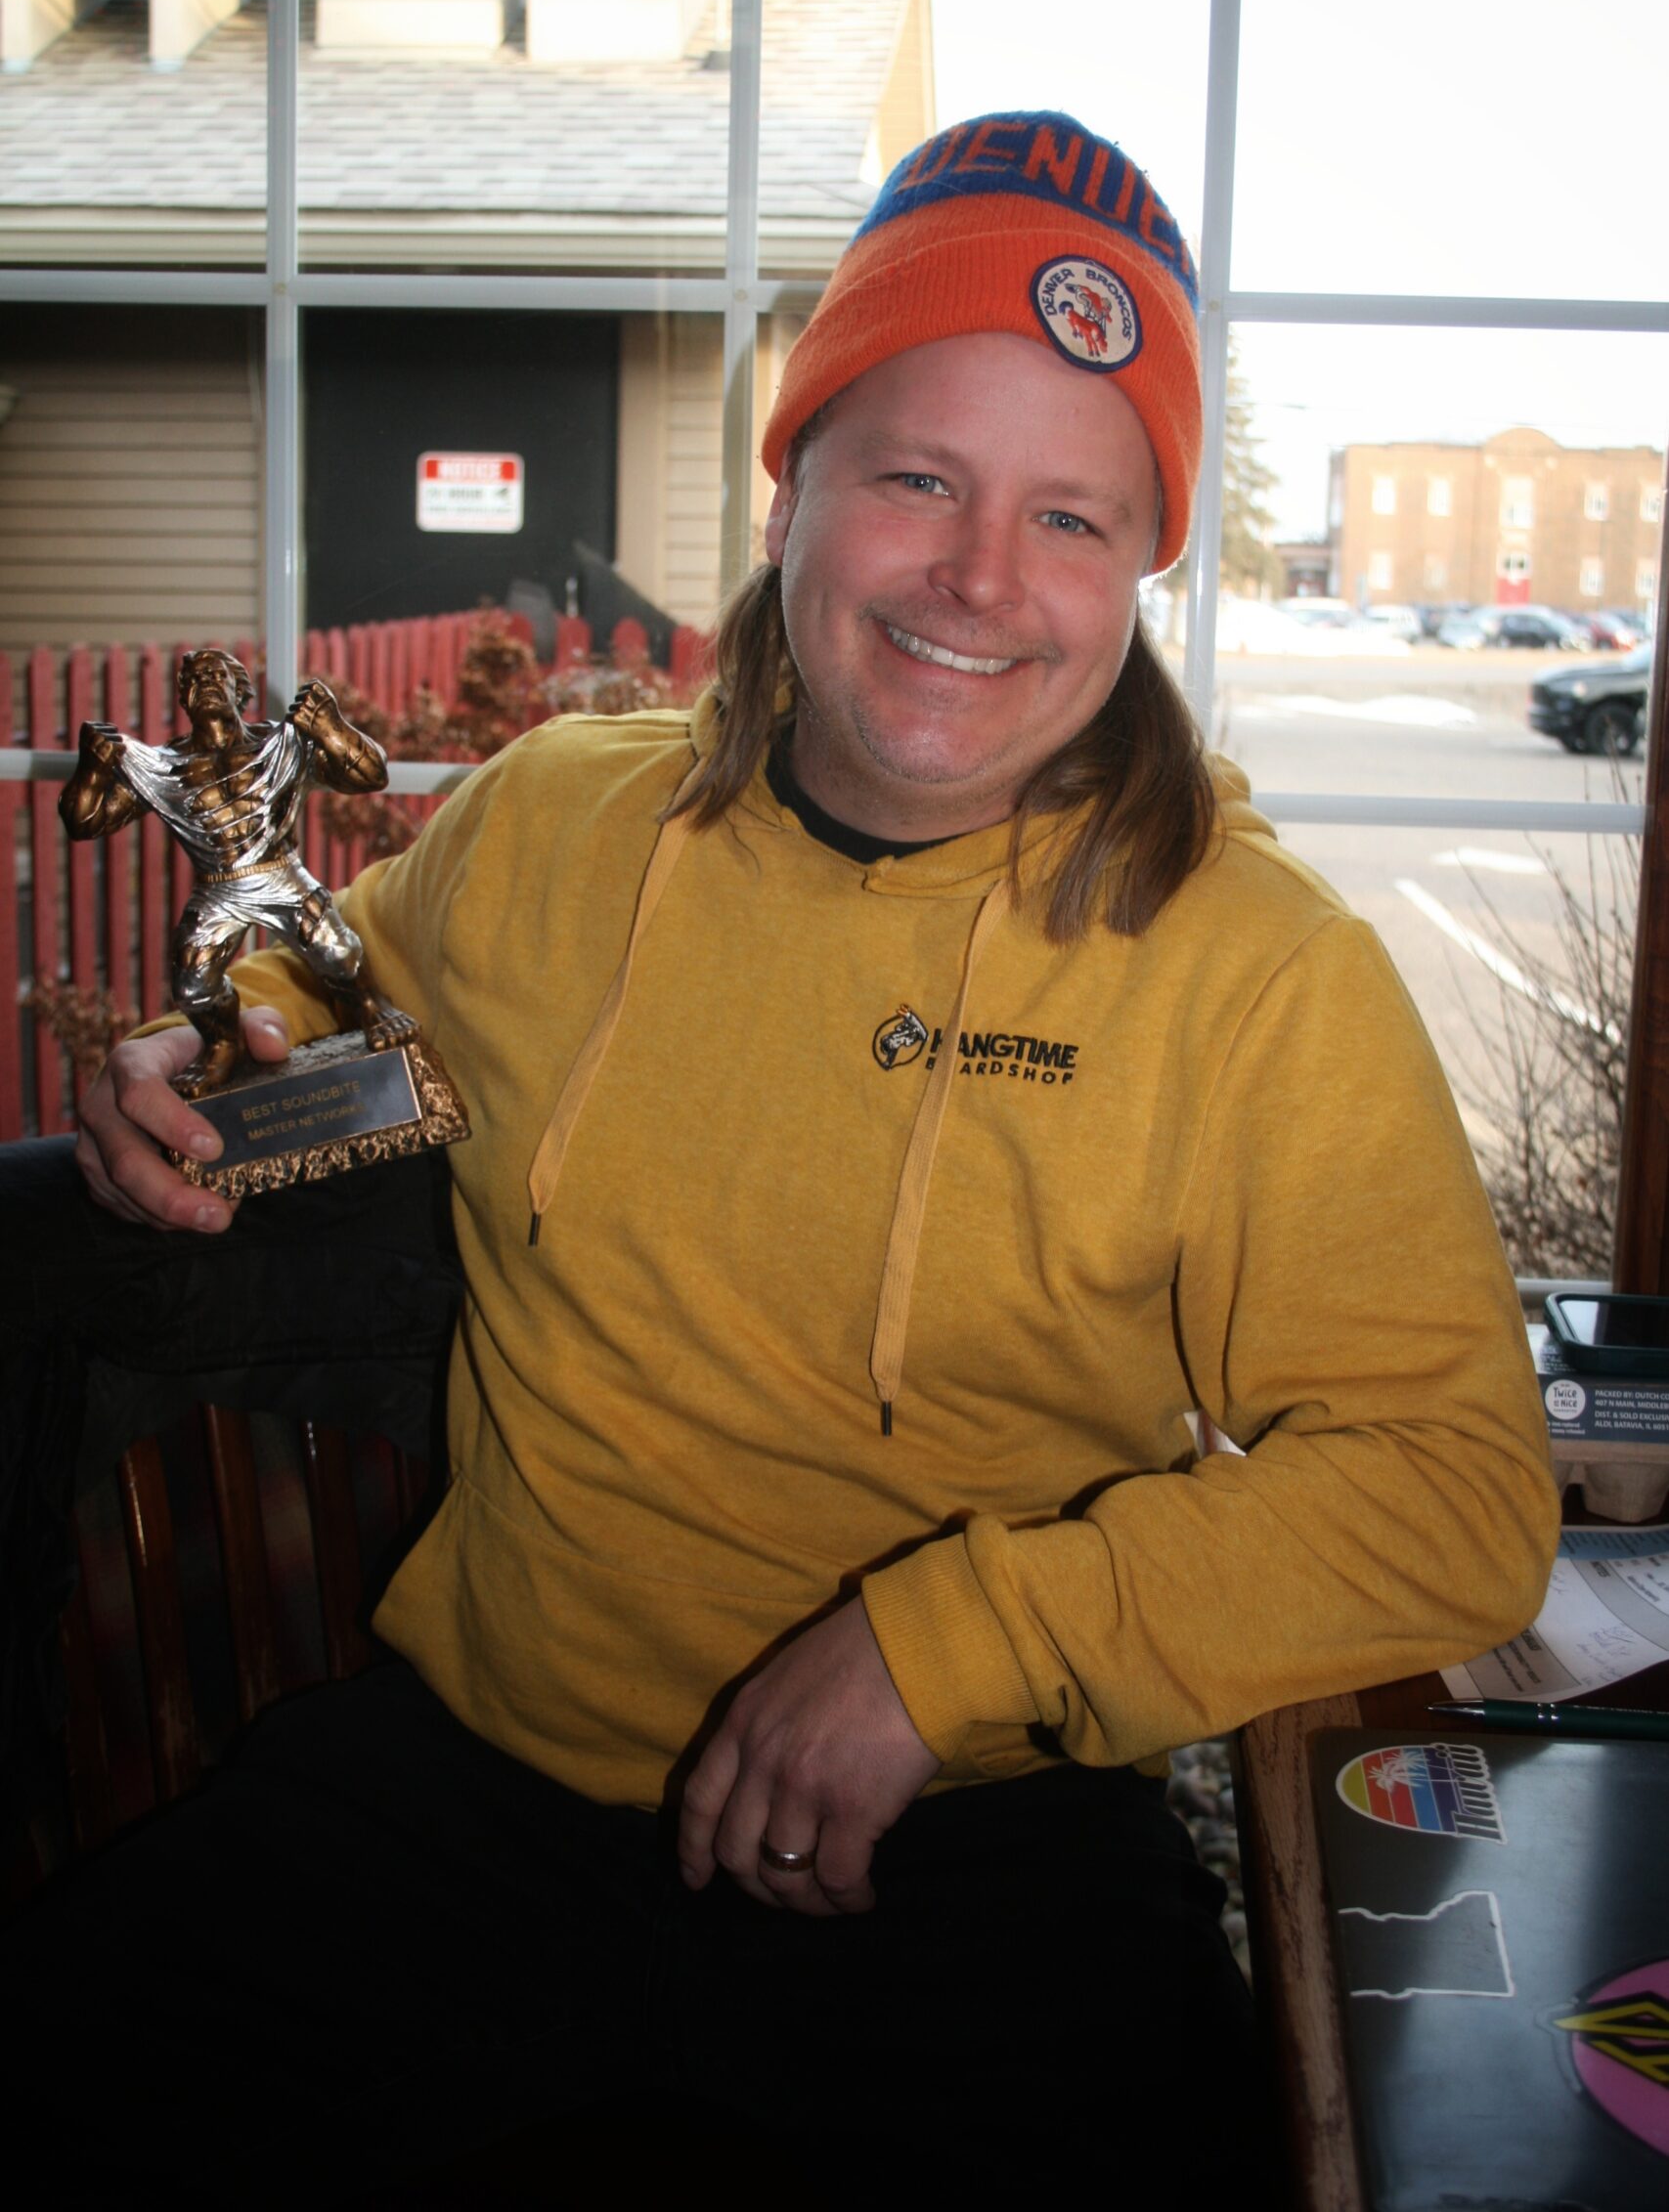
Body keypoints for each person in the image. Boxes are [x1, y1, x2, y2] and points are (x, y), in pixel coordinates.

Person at [10, 111, 1560, 2202]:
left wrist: (946, 1645)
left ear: (1142, 567)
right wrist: (195, 1061)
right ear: (794, 482)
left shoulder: (1258, 979)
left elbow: (1455, 1496)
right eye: (916, 475)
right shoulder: (556, 822)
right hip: (473, 1789)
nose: (981, 582)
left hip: (964, 1846)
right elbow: (345, 1017)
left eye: (1074, 519)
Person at [59, 650, 414, 1098]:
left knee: (337, 951)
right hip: (217, 887)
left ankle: (369, 1006)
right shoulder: (163, 769)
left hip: (280, 871)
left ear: (240, 692)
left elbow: (371, 776)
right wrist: (93, 771)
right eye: (193, 677)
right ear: (183, 699)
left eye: (216, 674)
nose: (205, 681)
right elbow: (85, 823)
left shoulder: (281, 746)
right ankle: (222, 1043)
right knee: (190, 984)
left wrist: (331, 728)